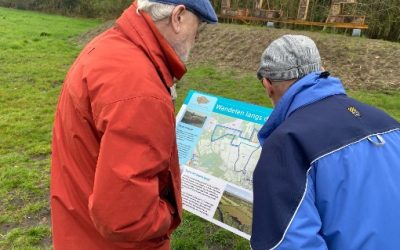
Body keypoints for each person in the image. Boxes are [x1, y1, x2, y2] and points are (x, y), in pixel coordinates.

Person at [50, 0, 217, 249]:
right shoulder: (141, 89)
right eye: (199, 26)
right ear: (178, 17)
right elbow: (124, 217)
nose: (197, 38)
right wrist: (170, 212)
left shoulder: (109, 47)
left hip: (78, 228)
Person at [251, 35, 400, 250]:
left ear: (268, 84)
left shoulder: (286, 144)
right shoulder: (389, 122)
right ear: (321, 69)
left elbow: (288, 243)